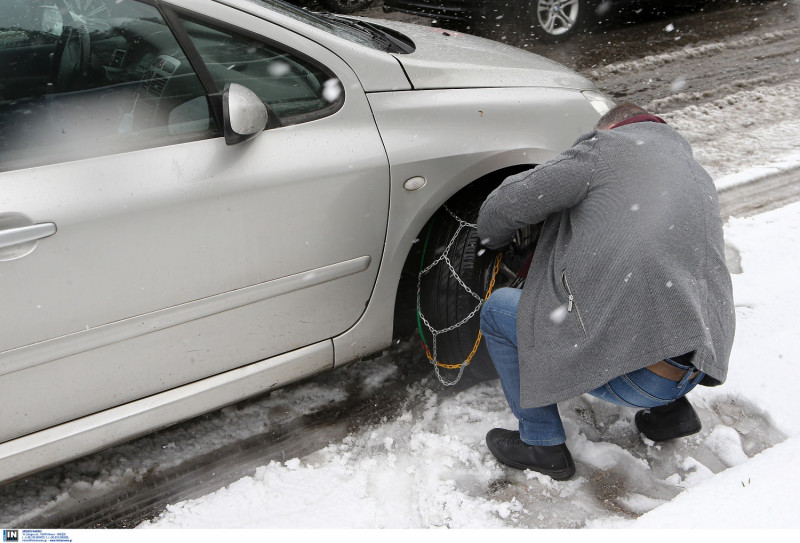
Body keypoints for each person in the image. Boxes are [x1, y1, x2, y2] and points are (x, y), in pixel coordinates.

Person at [476, 103, 735, 481]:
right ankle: (670, 413)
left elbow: (504, 206)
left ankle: (541, 443)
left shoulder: (603, 149)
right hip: (695, 366)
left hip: (639, 379)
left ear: (610, 128)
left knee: (498, 310)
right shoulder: (693, 174)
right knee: (662, 279)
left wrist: (492, 241)